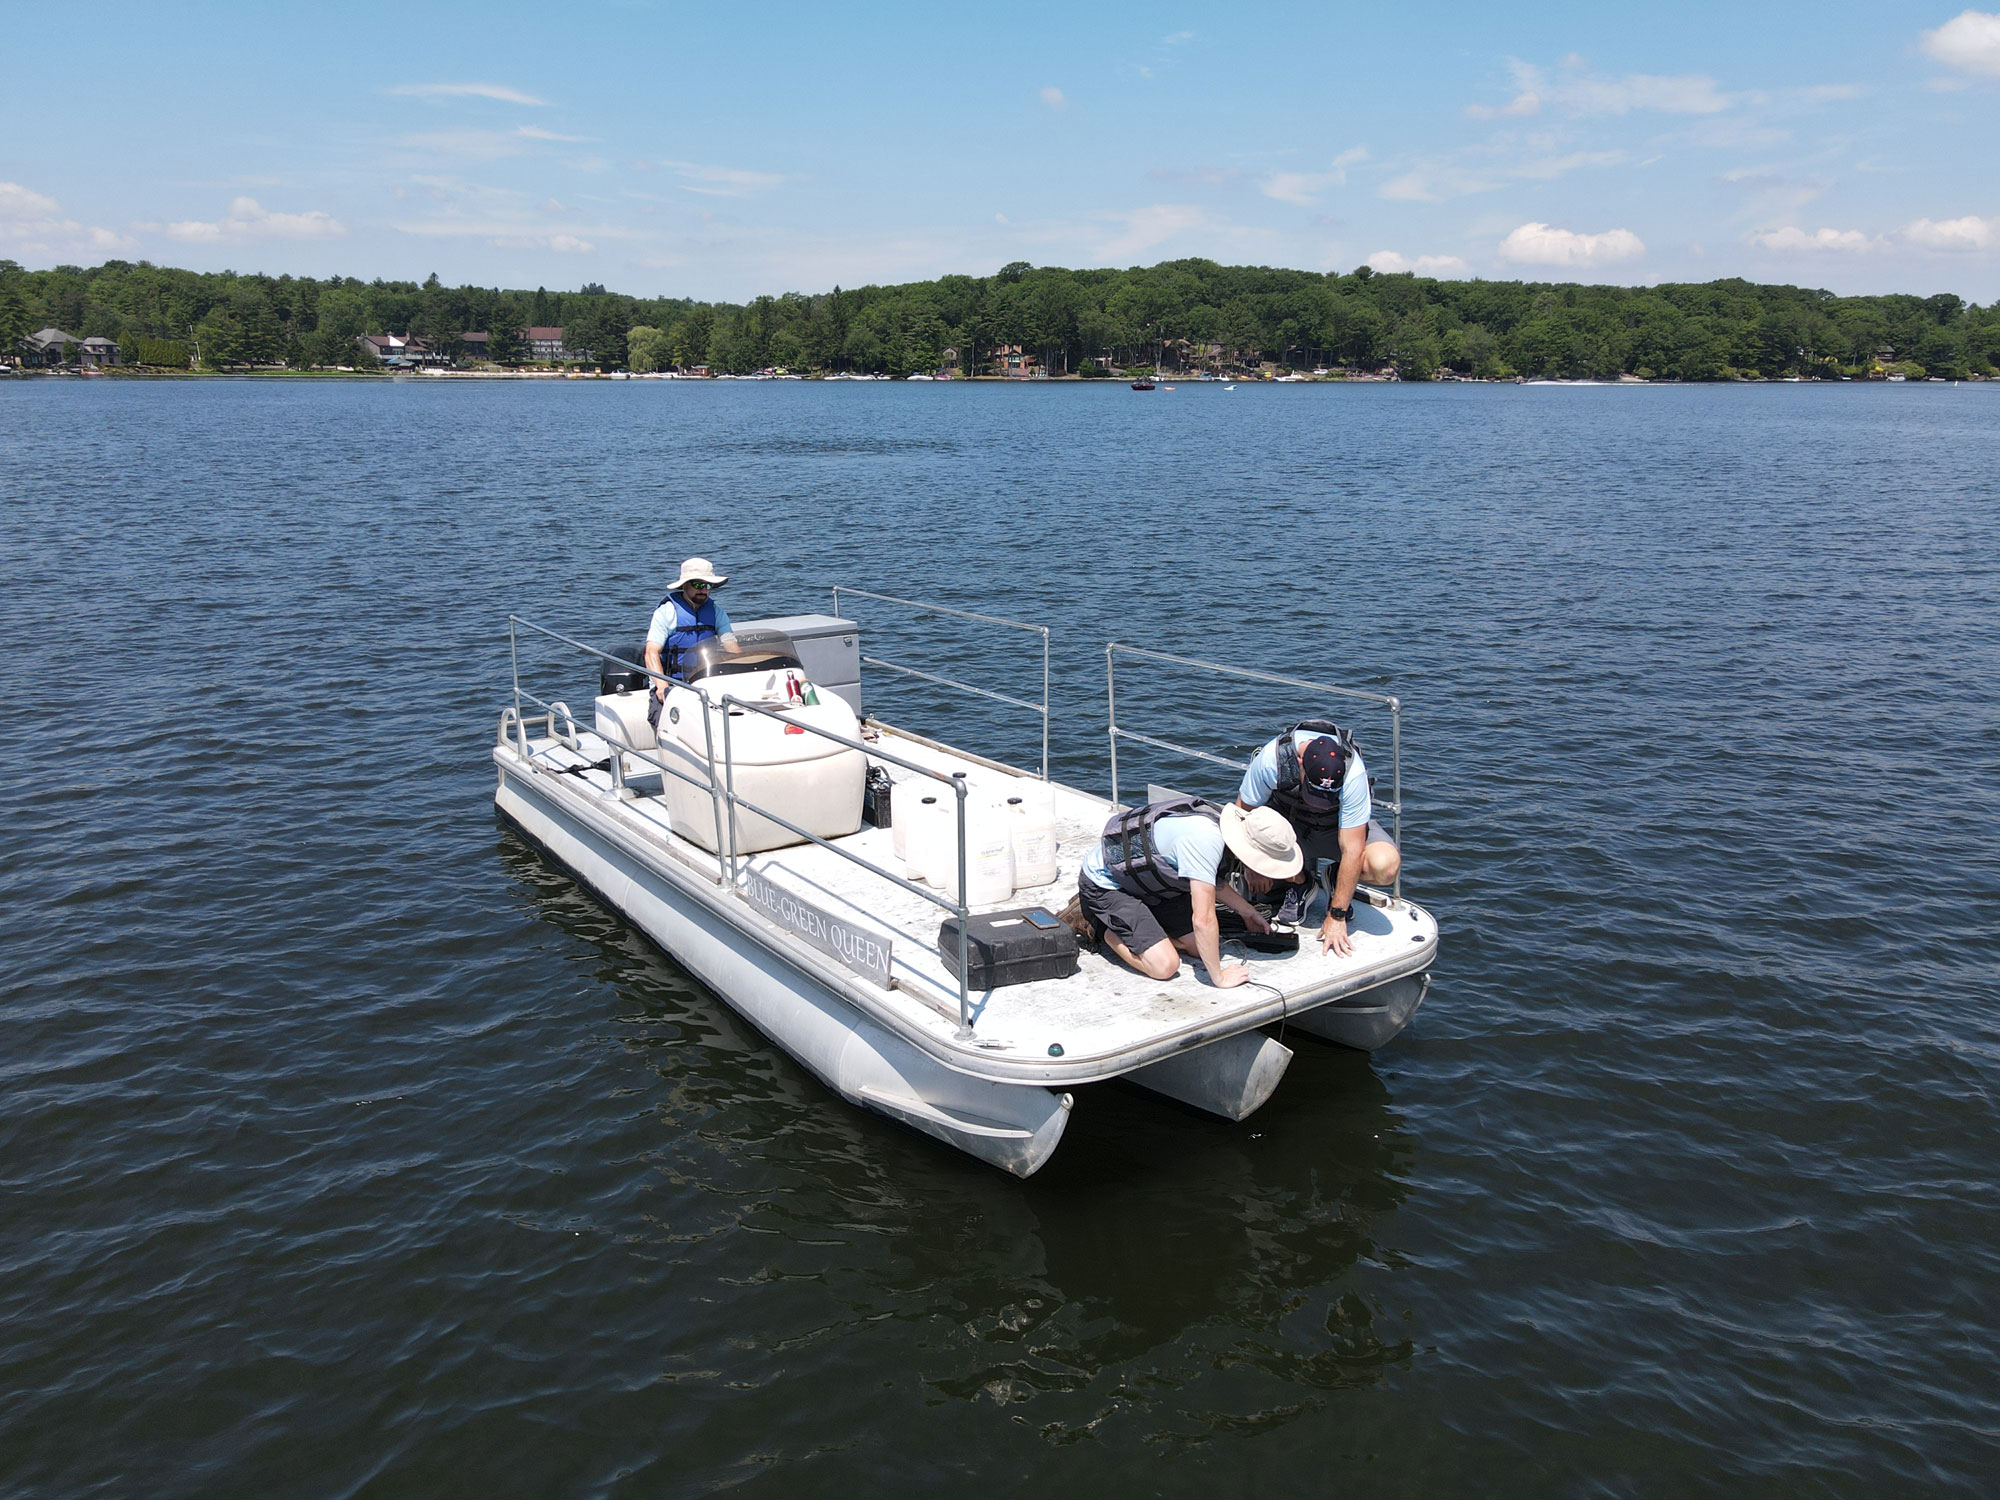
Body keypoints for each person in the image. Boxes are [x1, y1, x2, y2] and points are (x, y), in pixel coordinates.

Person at [1075, 795, 1299, 989]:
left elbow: (1212, 881)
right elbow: (1203, 920)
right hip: (1107, 886)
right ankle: (1098, 925)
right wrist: (1218, 977)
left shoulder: (1219, 825)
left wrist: (1248, 912)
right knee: (1165, 966)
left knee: (1199, 948)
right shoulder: (1205, 841)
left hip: (1149, 885)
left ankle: (1144, 930)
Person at [1235, 719, 1401, 958]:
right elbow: (1242, 814)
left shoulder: (1353, 773)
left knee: (1385, 866)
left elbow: (1353, 849)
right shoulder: (1273, 759)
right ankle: (1301, 881)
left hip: (1337, 830)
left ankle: (1333, 876)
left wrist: (1337, 916)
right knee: (1256, 875)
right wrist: (1251, 865)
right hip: (1290, 830)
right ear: (1300, 763)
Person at [644, 557, 738, 729]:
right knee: (667, 726)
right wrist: (661, 686)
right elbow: (651, 652)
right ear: (684, 585)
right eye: (697, 584)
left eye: (707, 585)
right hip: (671, 686)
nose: (703, 590)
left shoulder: (717, 613)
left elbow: (731, 647)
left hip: (706, 684)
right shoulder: (666, 613)